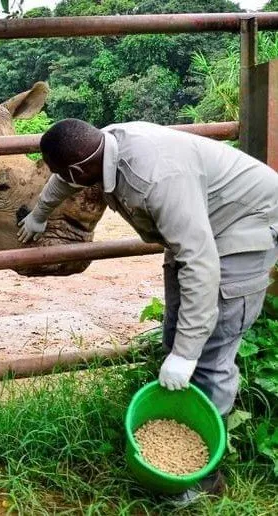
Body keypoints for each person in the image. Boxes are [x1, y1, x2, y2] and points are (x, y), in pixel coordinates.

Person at [18, 119, 278, 499]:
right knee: (178, 336)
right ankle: (180, 437)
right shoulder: (99, 146)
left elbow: (201, 262)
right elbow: (65, 179)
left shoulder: (155, 178)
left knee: (211, 353)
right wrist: (40, 214)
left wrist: (187, 355)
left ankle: (206, 479)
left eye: (66, 173)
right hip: (199, 228)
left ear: (79, 168)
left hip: (244, 225)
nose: (65, 180)